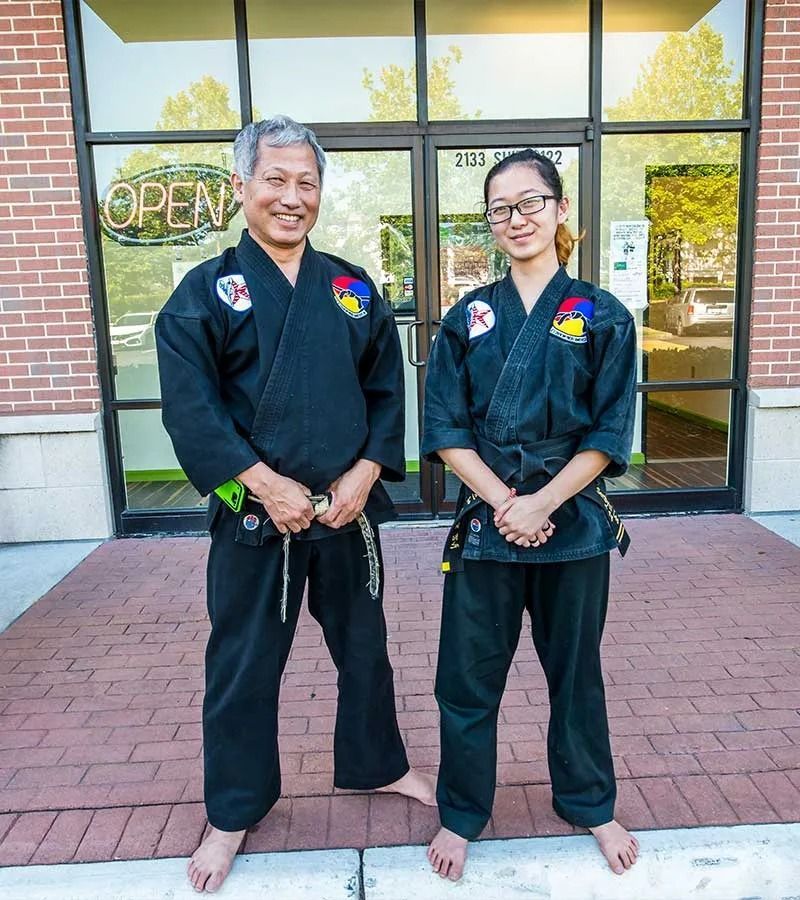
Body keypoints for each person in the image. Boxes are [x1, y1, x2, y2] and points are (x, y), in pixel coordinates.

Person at [156, 115, 434, 894]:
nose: (292, 196)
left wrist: (370, 471)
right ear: (242, 186)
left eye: (306, 182)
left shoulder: (350, 287)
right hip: (256, 518)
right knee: (243, 665)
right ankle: (233, 809)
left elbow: (387, 387)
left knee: (365, 648)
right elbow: (190, 409)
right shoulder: (205, 292)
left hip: (345, 514)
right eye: (275, 180)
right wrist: (261, 484)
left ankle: (378, 766)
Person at [421, 149, 640, 882]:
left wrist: (543, 502)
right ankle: (461, 812)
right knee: (467, 677)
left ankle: (589, 801)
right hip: (489, 525)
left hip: (571, 525)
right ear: (490, 223)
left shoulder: (602, 315)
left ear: (560, 208)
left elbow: (610, 435)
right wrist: (506, 504)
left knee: (576, 673)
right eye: (500, 209)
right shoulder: (469, 316)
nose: (515, 220)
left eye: (529, 203)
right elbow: (445, 429)